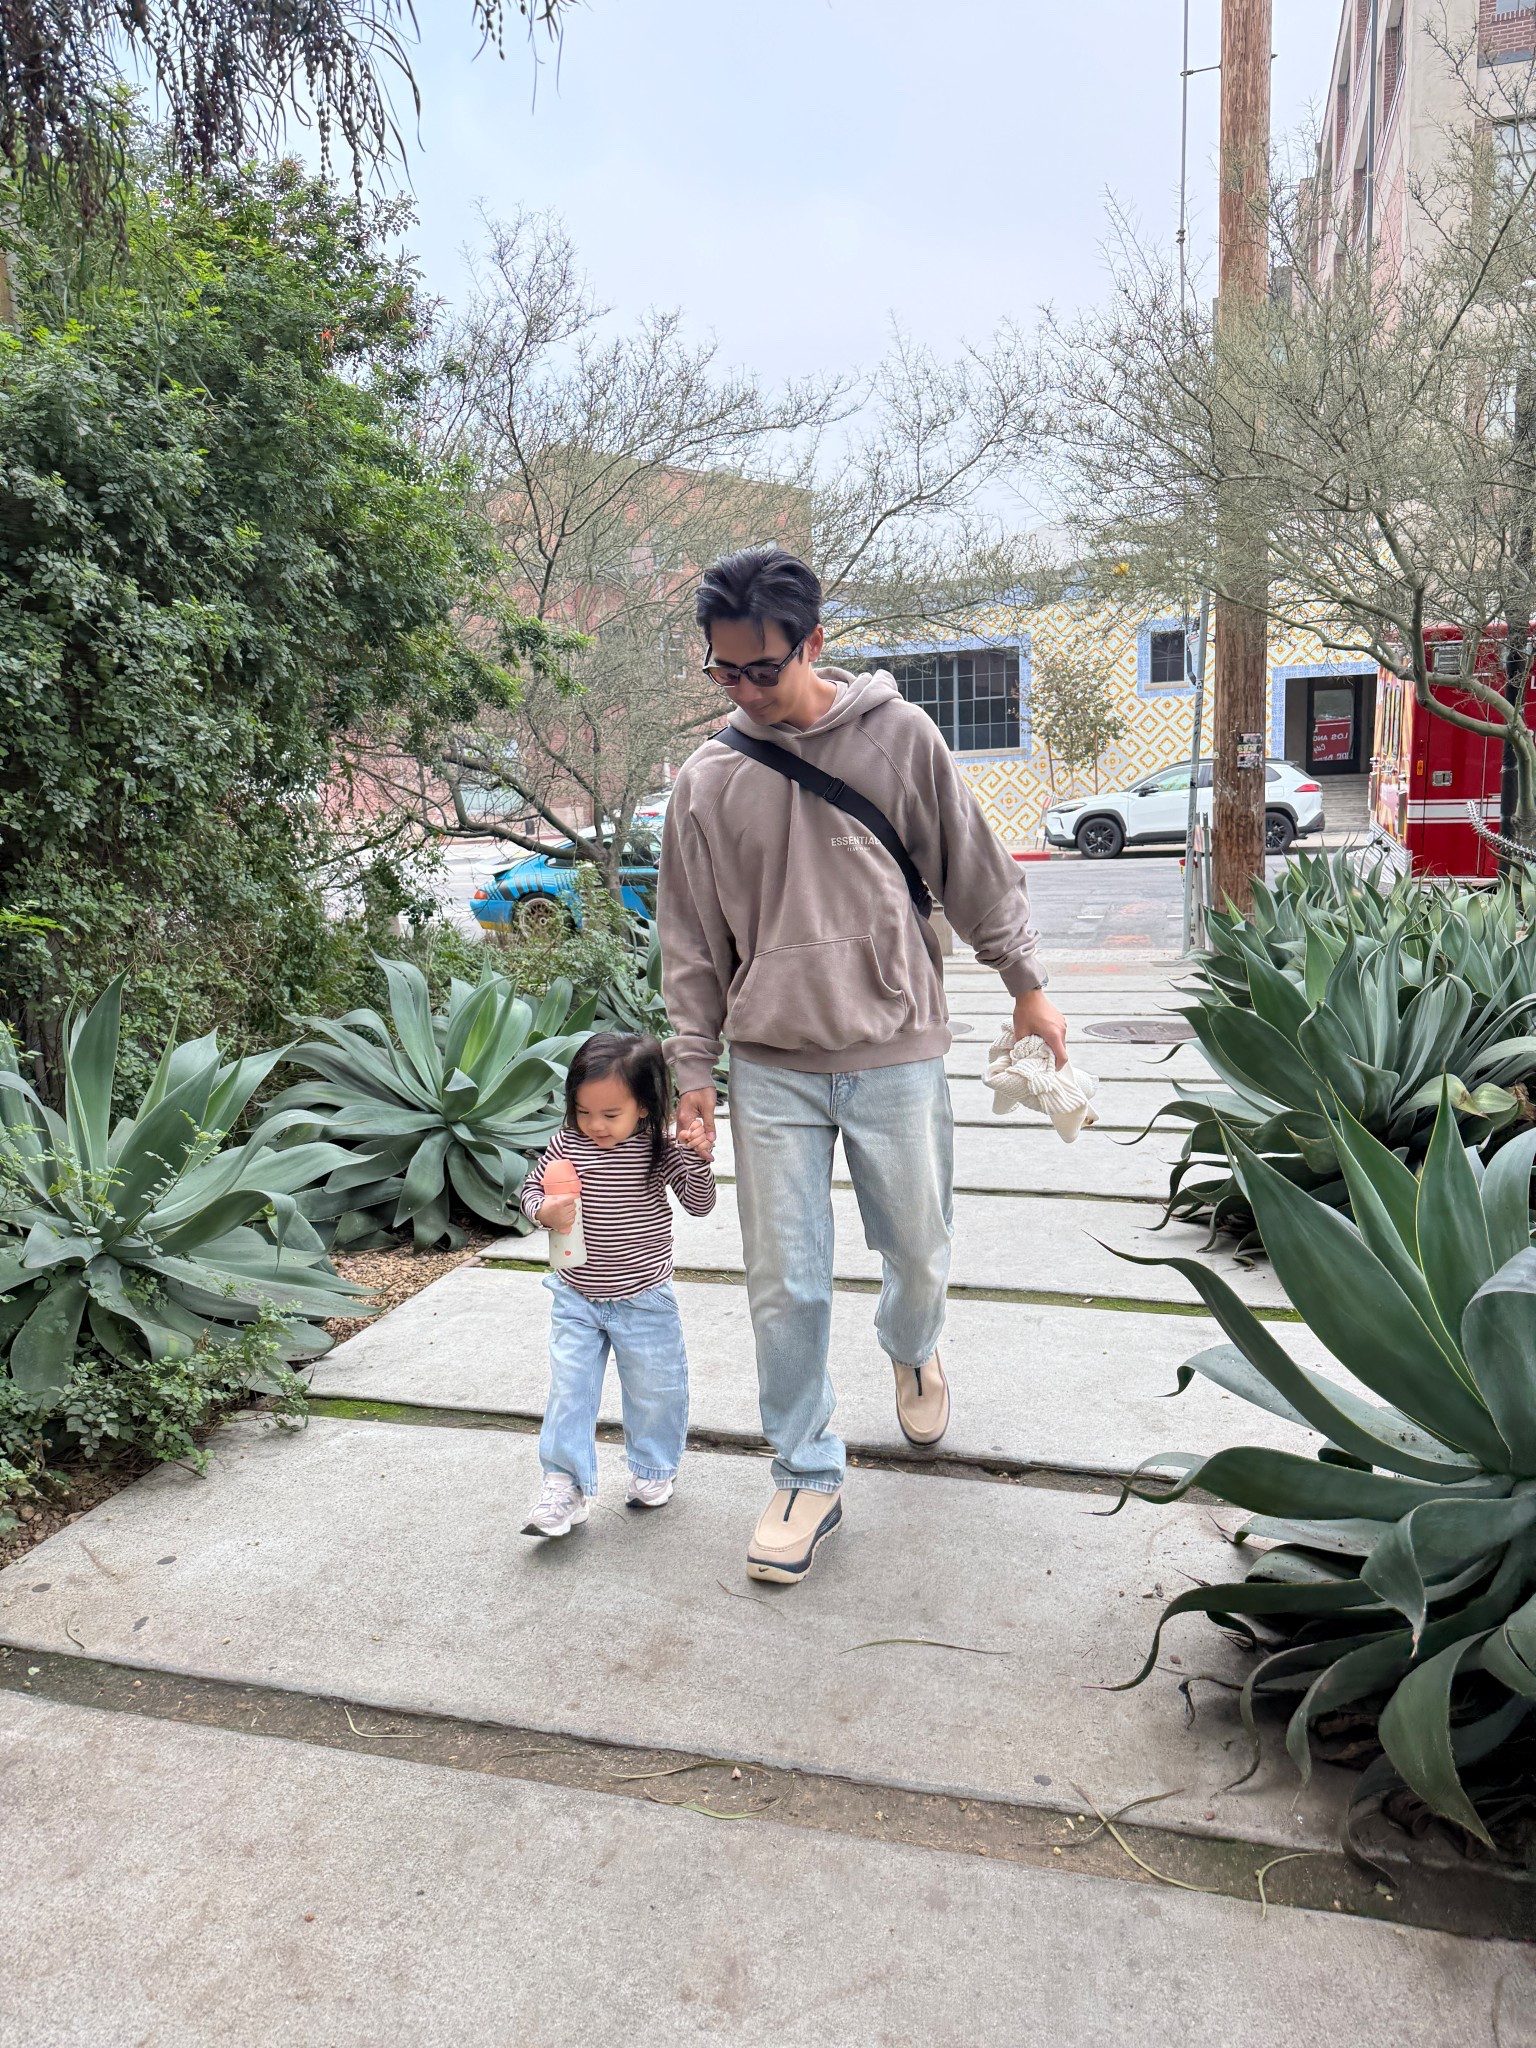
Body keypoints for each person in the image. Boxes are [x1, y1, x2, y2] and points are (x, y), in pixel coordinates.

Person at [659, 546, 1066, 1585]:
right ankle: (804, 1471)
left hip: (895, 1044)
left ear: (815, 643)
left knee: (919, 1243)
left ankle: (913, 1337)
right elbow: (692, 946)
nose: (746, 690)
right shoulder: (706, 781)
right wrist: (693, 1070)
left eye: (765, 668)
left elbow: (972, 863)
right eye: (725, 671)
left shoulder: (900, 737)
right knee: (783, 1284)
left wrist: (1026, 980)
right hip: (774, 1063)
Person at [519, 1032, 716, 1538]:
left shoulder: (659, 1148)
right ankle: (566, 1486)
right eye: (584, 1112)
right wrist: (542, 1210)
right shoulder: (567, 1144)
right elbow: (530, 1189)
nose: (595, 1126)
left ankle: (653, 1469)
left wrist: (697, 1161)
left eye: (611, 1115)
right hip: (576, 1295)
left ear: (646, 1107)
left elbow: (699, 1204)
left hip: (644, 1297)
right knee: (570, 1391)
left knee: (655, 1391)